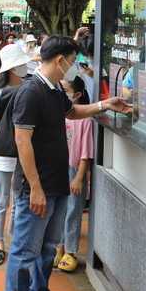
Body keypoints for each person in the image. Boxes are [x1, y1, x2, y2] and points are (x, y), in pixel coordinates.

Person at [4, 35, 131, 291]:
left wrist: (103, 105)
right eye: (74, 61)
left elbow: (71, 113)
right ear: (60, 60)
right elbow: (22, 141)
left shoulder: (54, 90)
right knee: (24, 250)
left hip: (58, 185)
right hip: (37, 187)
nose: (76, 67)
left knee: (48, 248)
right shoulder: (30, 92)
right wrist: (34, 187)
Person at [0, 46, 32, 266]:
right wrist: (7, 136)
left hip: (24, 155)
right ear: (12, 68)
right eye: (21, 64)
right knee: (2, 199)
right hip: (4, 156)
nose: (25, 67)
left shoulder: (27, 88)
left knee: (20, 198)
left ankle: (14, 237)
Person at [55, 76, 94, 274]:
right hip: (59, 167)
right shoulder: (58, 113)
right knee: (60, 210)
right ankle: (59, 248)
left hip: (75, 170)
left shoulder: (85, 119)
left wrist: (80, 177)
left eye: (65, 89)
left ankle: (71, 251)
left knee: (73, 211)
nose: (61, 92)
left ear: (76, 95)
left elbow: (86, 152)